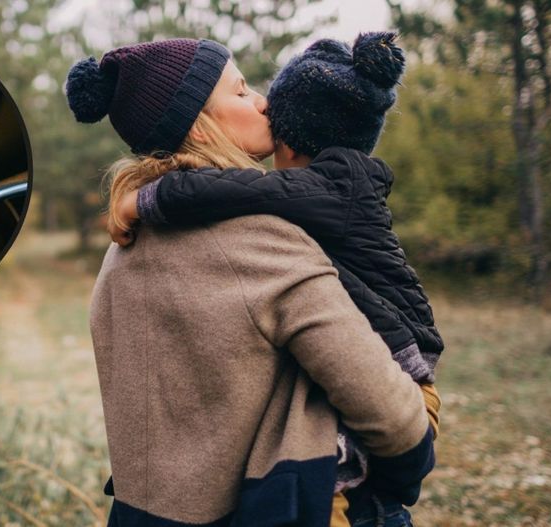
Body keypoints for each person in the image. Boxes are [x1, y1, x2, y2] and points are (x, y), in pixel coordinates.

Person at [67, 37, 435, 527]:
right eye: (241, 93)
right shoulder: (267, 244)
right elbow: (395, 420)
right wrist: (411, 464)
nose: (264, 102)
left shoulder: (123, 249)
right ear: (200, 124)